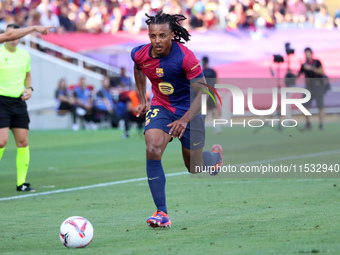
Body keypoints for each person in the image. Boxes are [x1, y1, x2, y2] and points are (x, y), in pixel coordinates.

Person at [131, 11, 223, 229]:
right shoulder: (140, 54)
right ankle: (161, 212)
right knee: (152, 147)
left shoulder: (186, 57)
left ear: (172, 34)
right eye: (153, 36)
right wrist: (143, 97)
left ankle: (214, 157)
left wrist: (183, 119)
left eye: (162, 36)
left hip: (191, 110)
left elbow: (203, 95)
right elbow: (138, 67)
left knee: (194, 167)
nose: (157, 41)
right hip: (161, 106)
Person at [0, 24, 50, 192]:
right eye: (10, 34)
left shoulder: (24, 55)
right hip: (1, 101)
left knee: (23, 141)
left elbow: (27, 75)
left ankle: (21, 183)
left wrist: (29, 89)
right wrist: (35, 27)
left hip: (18, 102)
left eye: (16, 34)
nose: (13, 37)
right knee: (1, 141)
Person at [296, 47, 326, 130]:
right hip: (308, 87)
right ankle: (308, 124)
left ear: (311, 54)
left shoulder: (316, 62)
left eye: (308, 53)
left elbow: (322, 72)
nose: (307, 55)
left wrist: (311, 68)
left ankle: (321, 125)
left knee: (320, 106)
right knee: (304, 106)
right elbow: (298, 75)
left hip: (318, 86)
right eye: (305, 53)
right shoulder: (303, 64)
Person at [202, 56, 221, 133]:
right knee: (214, 108)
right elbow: (216, 81)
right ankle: (218, 127)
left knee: (203, 111)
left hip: (203, 93)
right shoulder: (212, 71)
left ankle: (201, 128)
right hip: (211, 92)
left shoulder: (201, 71)